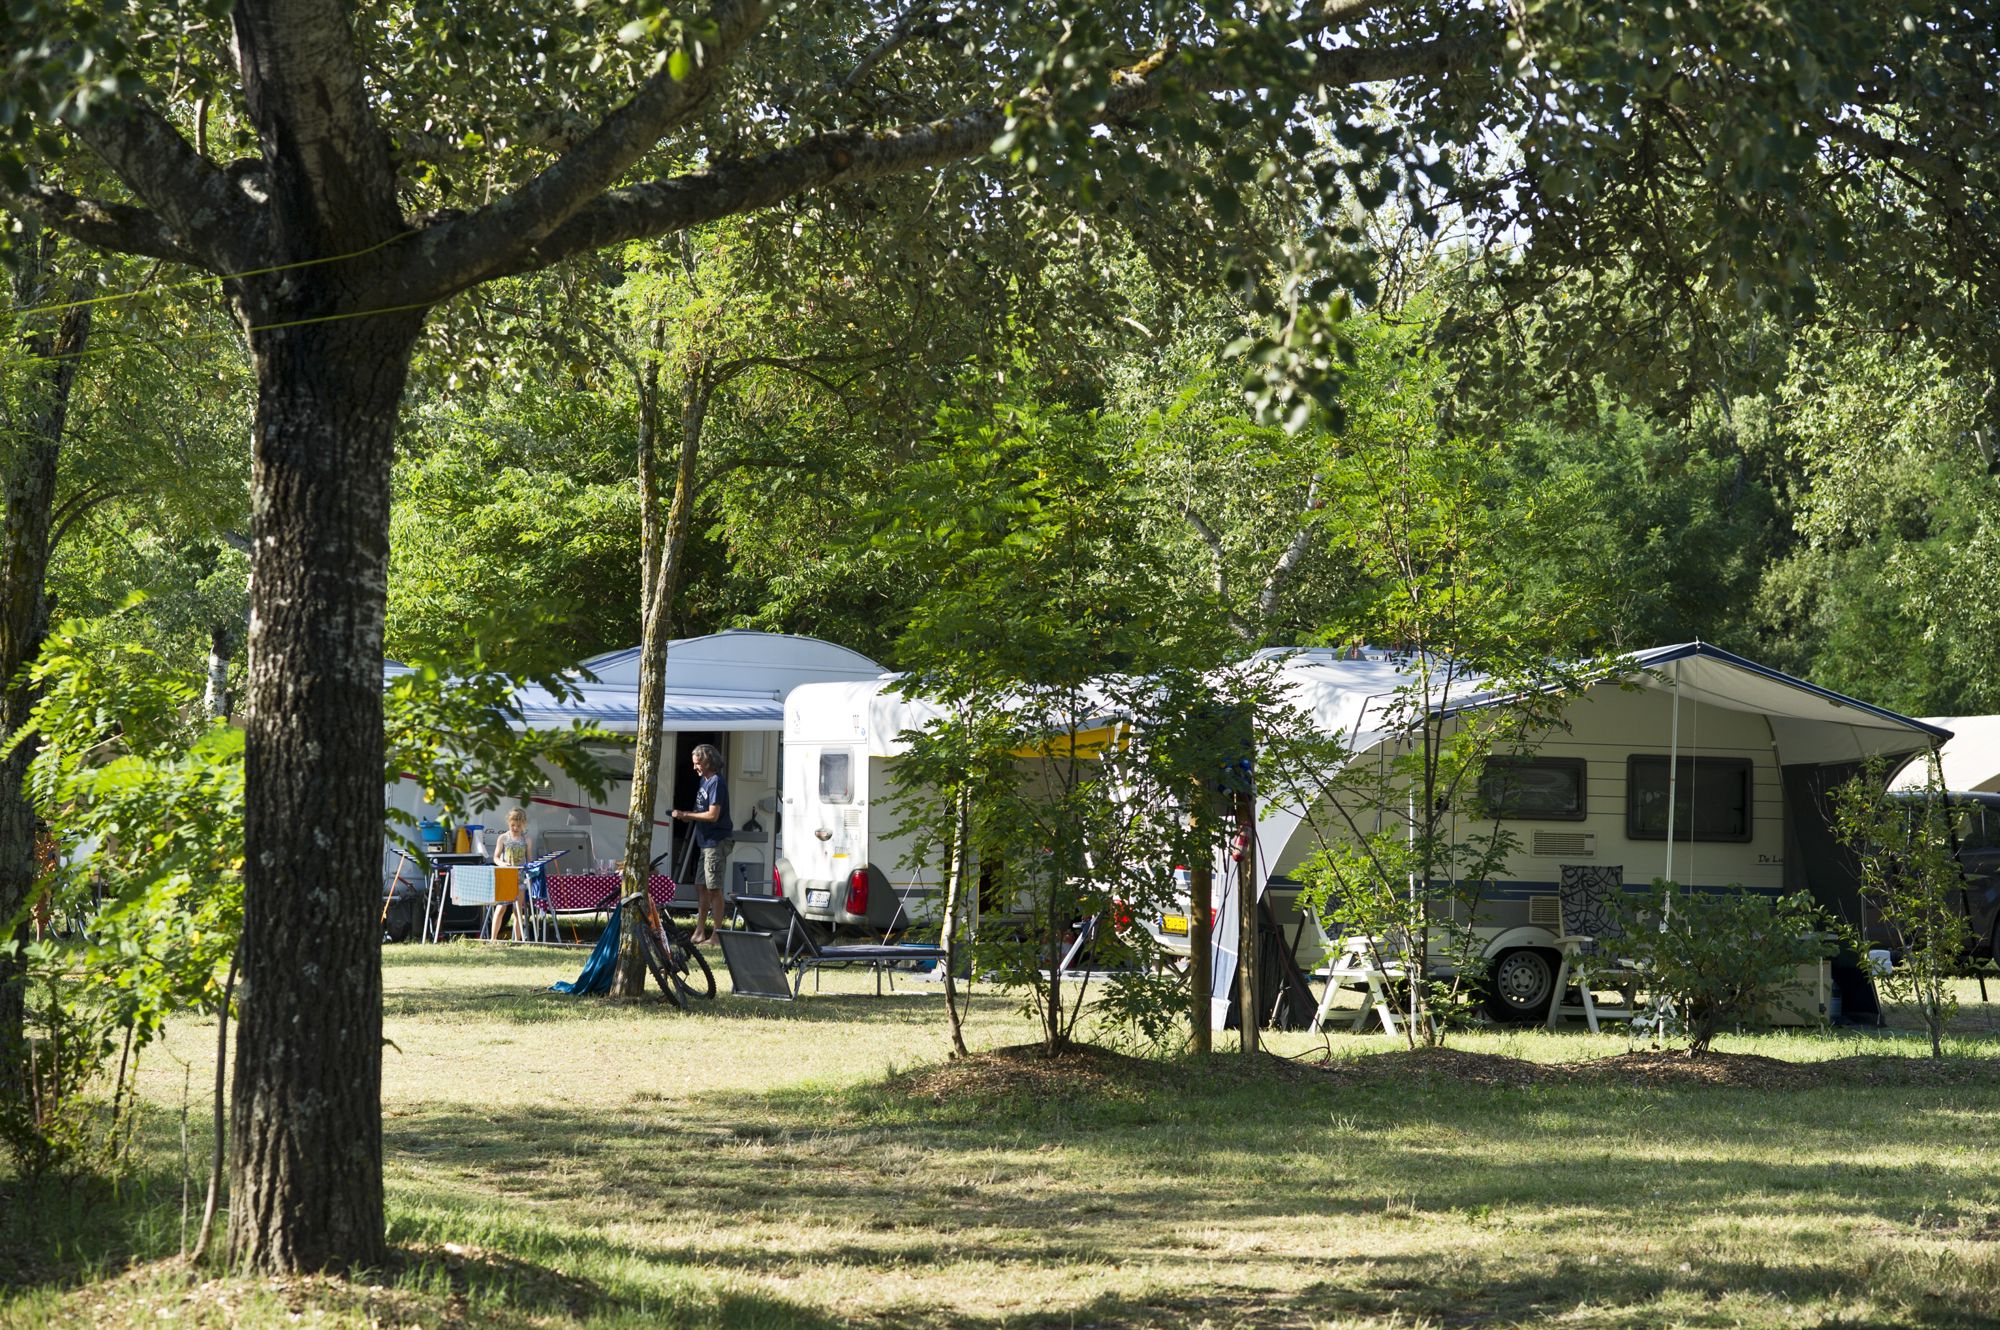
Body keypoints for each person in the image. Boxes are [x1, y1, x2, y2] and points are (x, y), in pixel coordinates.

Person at [671, 744, 732, 944]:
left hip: (716, 841)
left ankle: (717, 935)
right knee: (701, 886)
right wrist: (687, 816)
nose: (694, 767)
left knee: (714, 888)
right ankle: (699, 931)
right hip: (705, 841)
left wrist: (687, 814)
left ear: (708, 762)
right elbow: (702, 810)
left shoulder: (716, 783)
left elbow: (713, 815)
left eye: (697, 764)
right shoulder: (704, 781)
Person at [489, 808, 533, 939]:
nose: (515, 828)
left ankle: (517, 941)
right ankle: (493, 939)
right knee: (501, 908)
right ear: (509, 823)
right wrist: (502, 864)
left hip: (520, 877)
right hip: (506, 876)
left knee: (517, 910)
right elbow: (496, 857)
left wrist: (530, 873)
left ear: (523, 824)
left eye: (518, 826)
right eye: (513, 825)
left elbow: (529, 859)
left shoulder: (526, 840)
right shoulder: (503, 838)